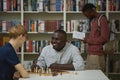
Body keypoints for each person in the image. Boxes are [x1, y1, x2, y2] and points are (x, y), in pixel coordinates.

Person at [82, 3, 110, 71]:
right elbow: (95, 36)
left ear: (91, 11)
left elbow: (104, 38)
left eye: (87, 15)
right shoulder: (94, 20)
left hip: (97, 55)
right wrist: (86, 39)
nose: (87, 17)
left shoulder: (102, 19)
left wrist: (88, 40)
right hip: (91, 53)